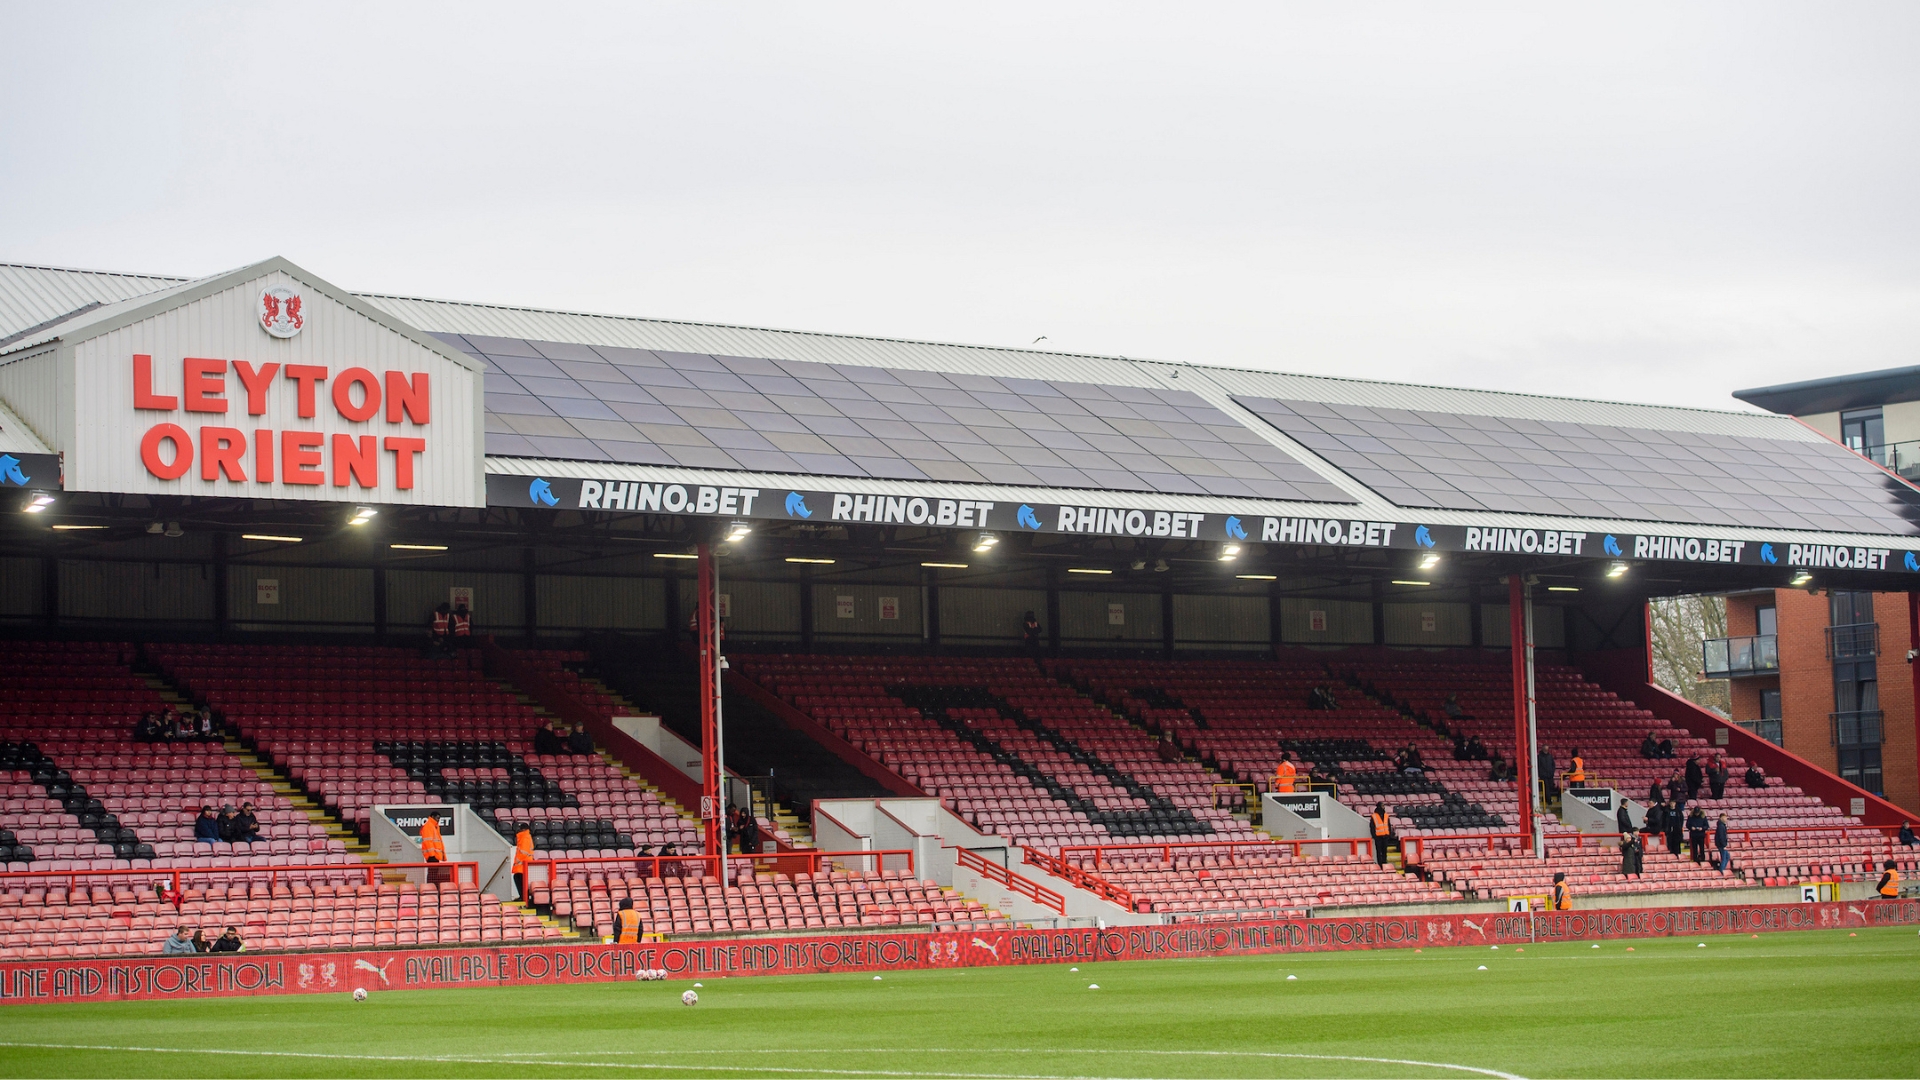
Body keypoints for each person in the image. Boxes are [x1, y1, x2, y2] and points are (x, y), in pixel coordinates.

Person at [512, 827, 534, 900]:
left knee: (518, 878)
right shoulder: (527, 837)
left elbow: (523, 852)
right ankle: (523, 896)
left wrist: (518, 861)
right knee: (519, 878)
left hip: (522, 863)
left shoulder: (524, 837)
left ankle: (523, 897)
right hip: (525, 863)